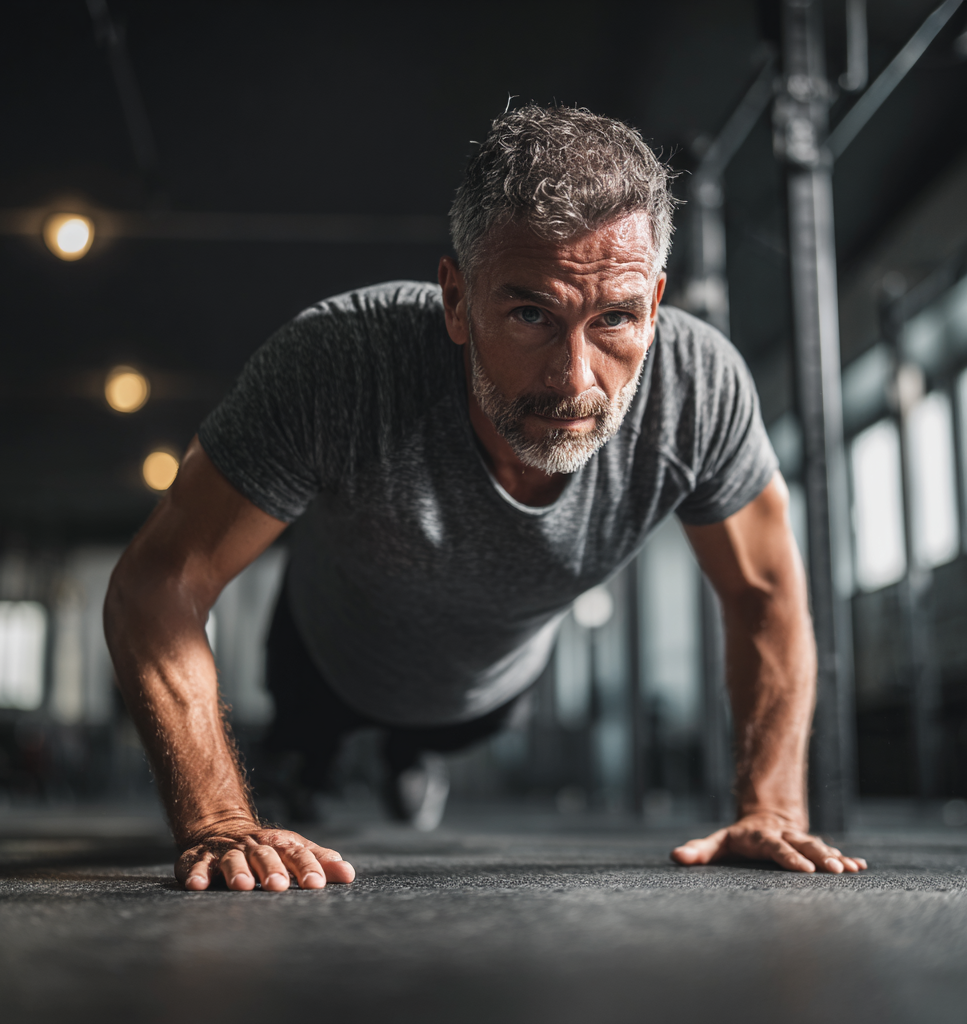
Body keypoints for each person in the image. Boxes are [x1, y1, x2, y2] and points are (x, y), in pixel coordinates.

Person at [104, 104, 867, 893]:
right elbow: (156, 583)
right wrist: (217, 821)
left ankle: (412, 757)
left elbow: (766, 594)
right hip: (326, 660)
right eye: (531, 313)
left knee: (434, 739)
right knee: (305, 761)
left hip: (489, 689)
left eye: (614, 318)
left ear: (655, 303)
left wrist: (773, 810)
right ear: (456, 300)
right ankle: (318, 768)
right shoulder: (339, 365)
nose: (574, 380)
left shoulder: (698, 390)